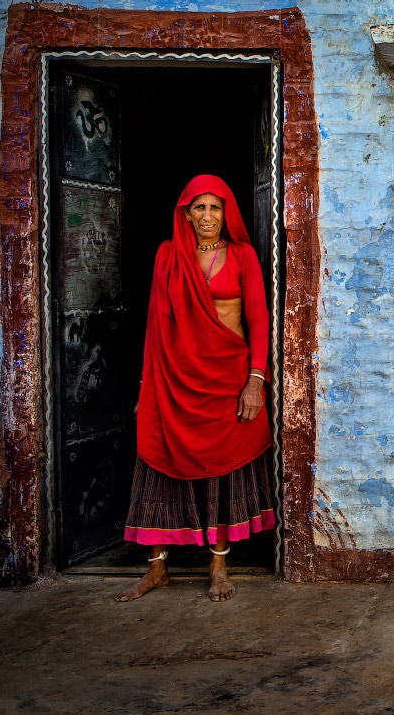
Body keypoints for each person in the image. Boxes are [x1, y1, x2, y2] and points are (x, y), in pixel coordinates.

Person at [114, 175, 275, 603]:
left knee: (222, 470)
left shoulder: (242, 256)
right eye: (199, 207)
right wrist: (148, 387)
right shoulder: (168, 255)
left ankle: (218, 566)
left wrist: (255, 381)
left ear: (227, 214)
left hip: (227, 380)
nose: (207, 216)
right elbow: (156, 325)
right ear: (185, 213)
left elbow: (259, 321)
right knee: (159, 462)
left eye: (215, 207)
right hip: (174, 380)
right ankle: (156, 568)